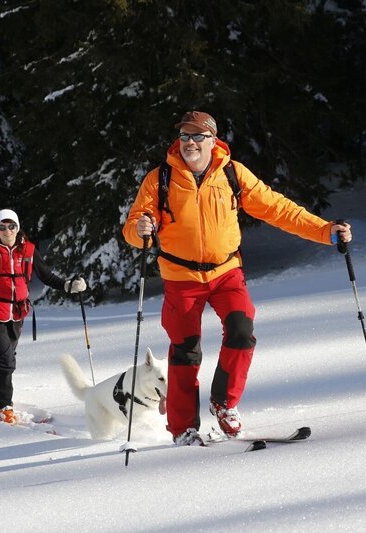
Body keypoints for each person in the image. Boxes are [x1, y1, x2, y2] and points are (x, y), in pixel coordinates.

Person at [122, 110, 352, 445]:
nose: (189, 142)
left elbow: (277, 208)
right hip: (181, 276)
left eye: (197, 136)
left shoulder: (231, 173)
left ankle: (224, 403)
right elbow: (134, 225)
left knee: (242, 331)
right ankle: (183, 429)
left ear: (212, 140)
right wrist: (140, 229)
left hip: (226, 271)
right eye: (184, 136)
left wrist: (325, 231)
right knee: (185, 351)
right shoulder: (160, 179)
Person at [0, 209, 88, 424]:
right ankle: (3, 406)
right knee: (7, 359)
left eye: (11, 226)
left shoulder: (29, 251)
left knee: (5, 358)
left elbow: (46, 276)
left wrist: (68, 285)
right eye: (2, 227)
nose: (7, 231)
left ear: (17, 227)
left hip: (17, 313)